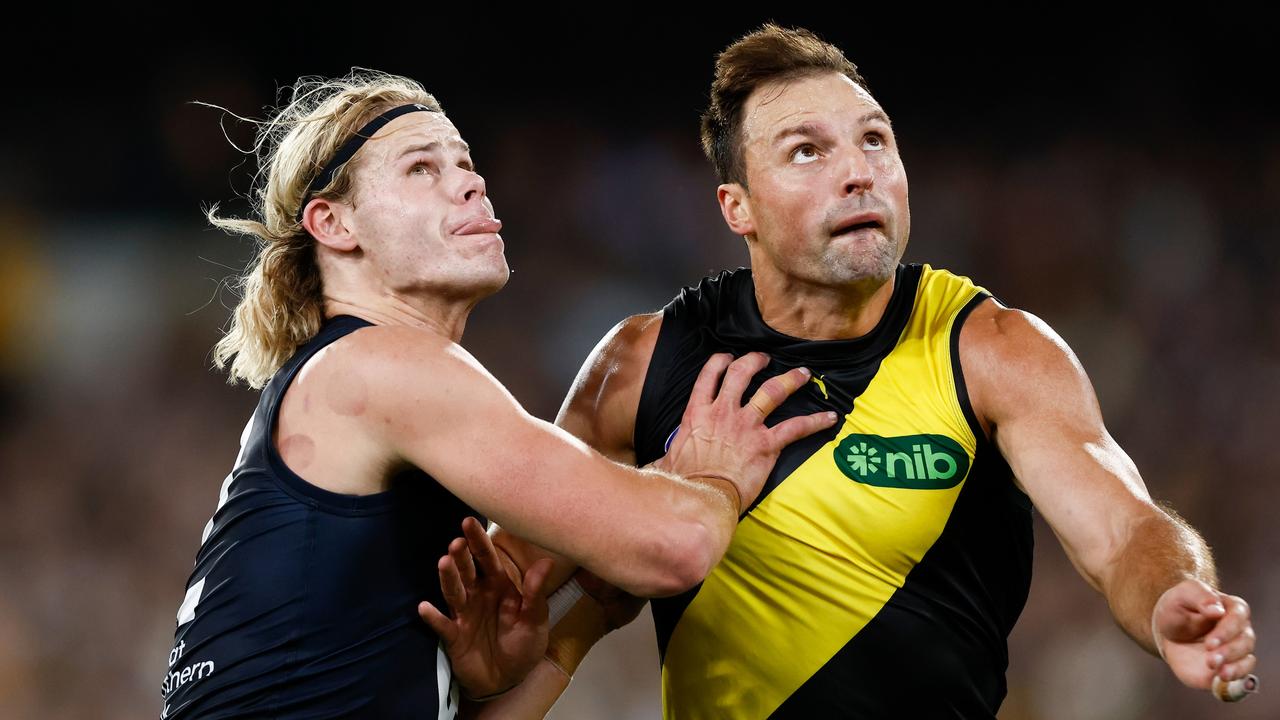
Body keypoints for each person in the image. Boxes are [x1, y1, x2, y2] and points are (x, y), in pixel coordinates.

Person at [439, 24, 1260, 719]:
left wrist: (1168, 598)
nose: (859, 169)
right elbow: (519, 590)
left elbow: (1122, 529)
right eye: (807, 151)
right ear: (739, 209)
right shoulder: (639, 367)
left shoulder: (991, 349)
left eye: (875, 140)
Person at [159, 69, 836, 720]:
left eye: (465, 164)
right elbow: (674, 547)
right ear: (335, 224)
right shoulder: (380, 366)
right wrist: (715, 478)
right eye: (422, 168)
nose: (469, 184)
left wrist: (577, 629)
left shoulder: (347, 392)